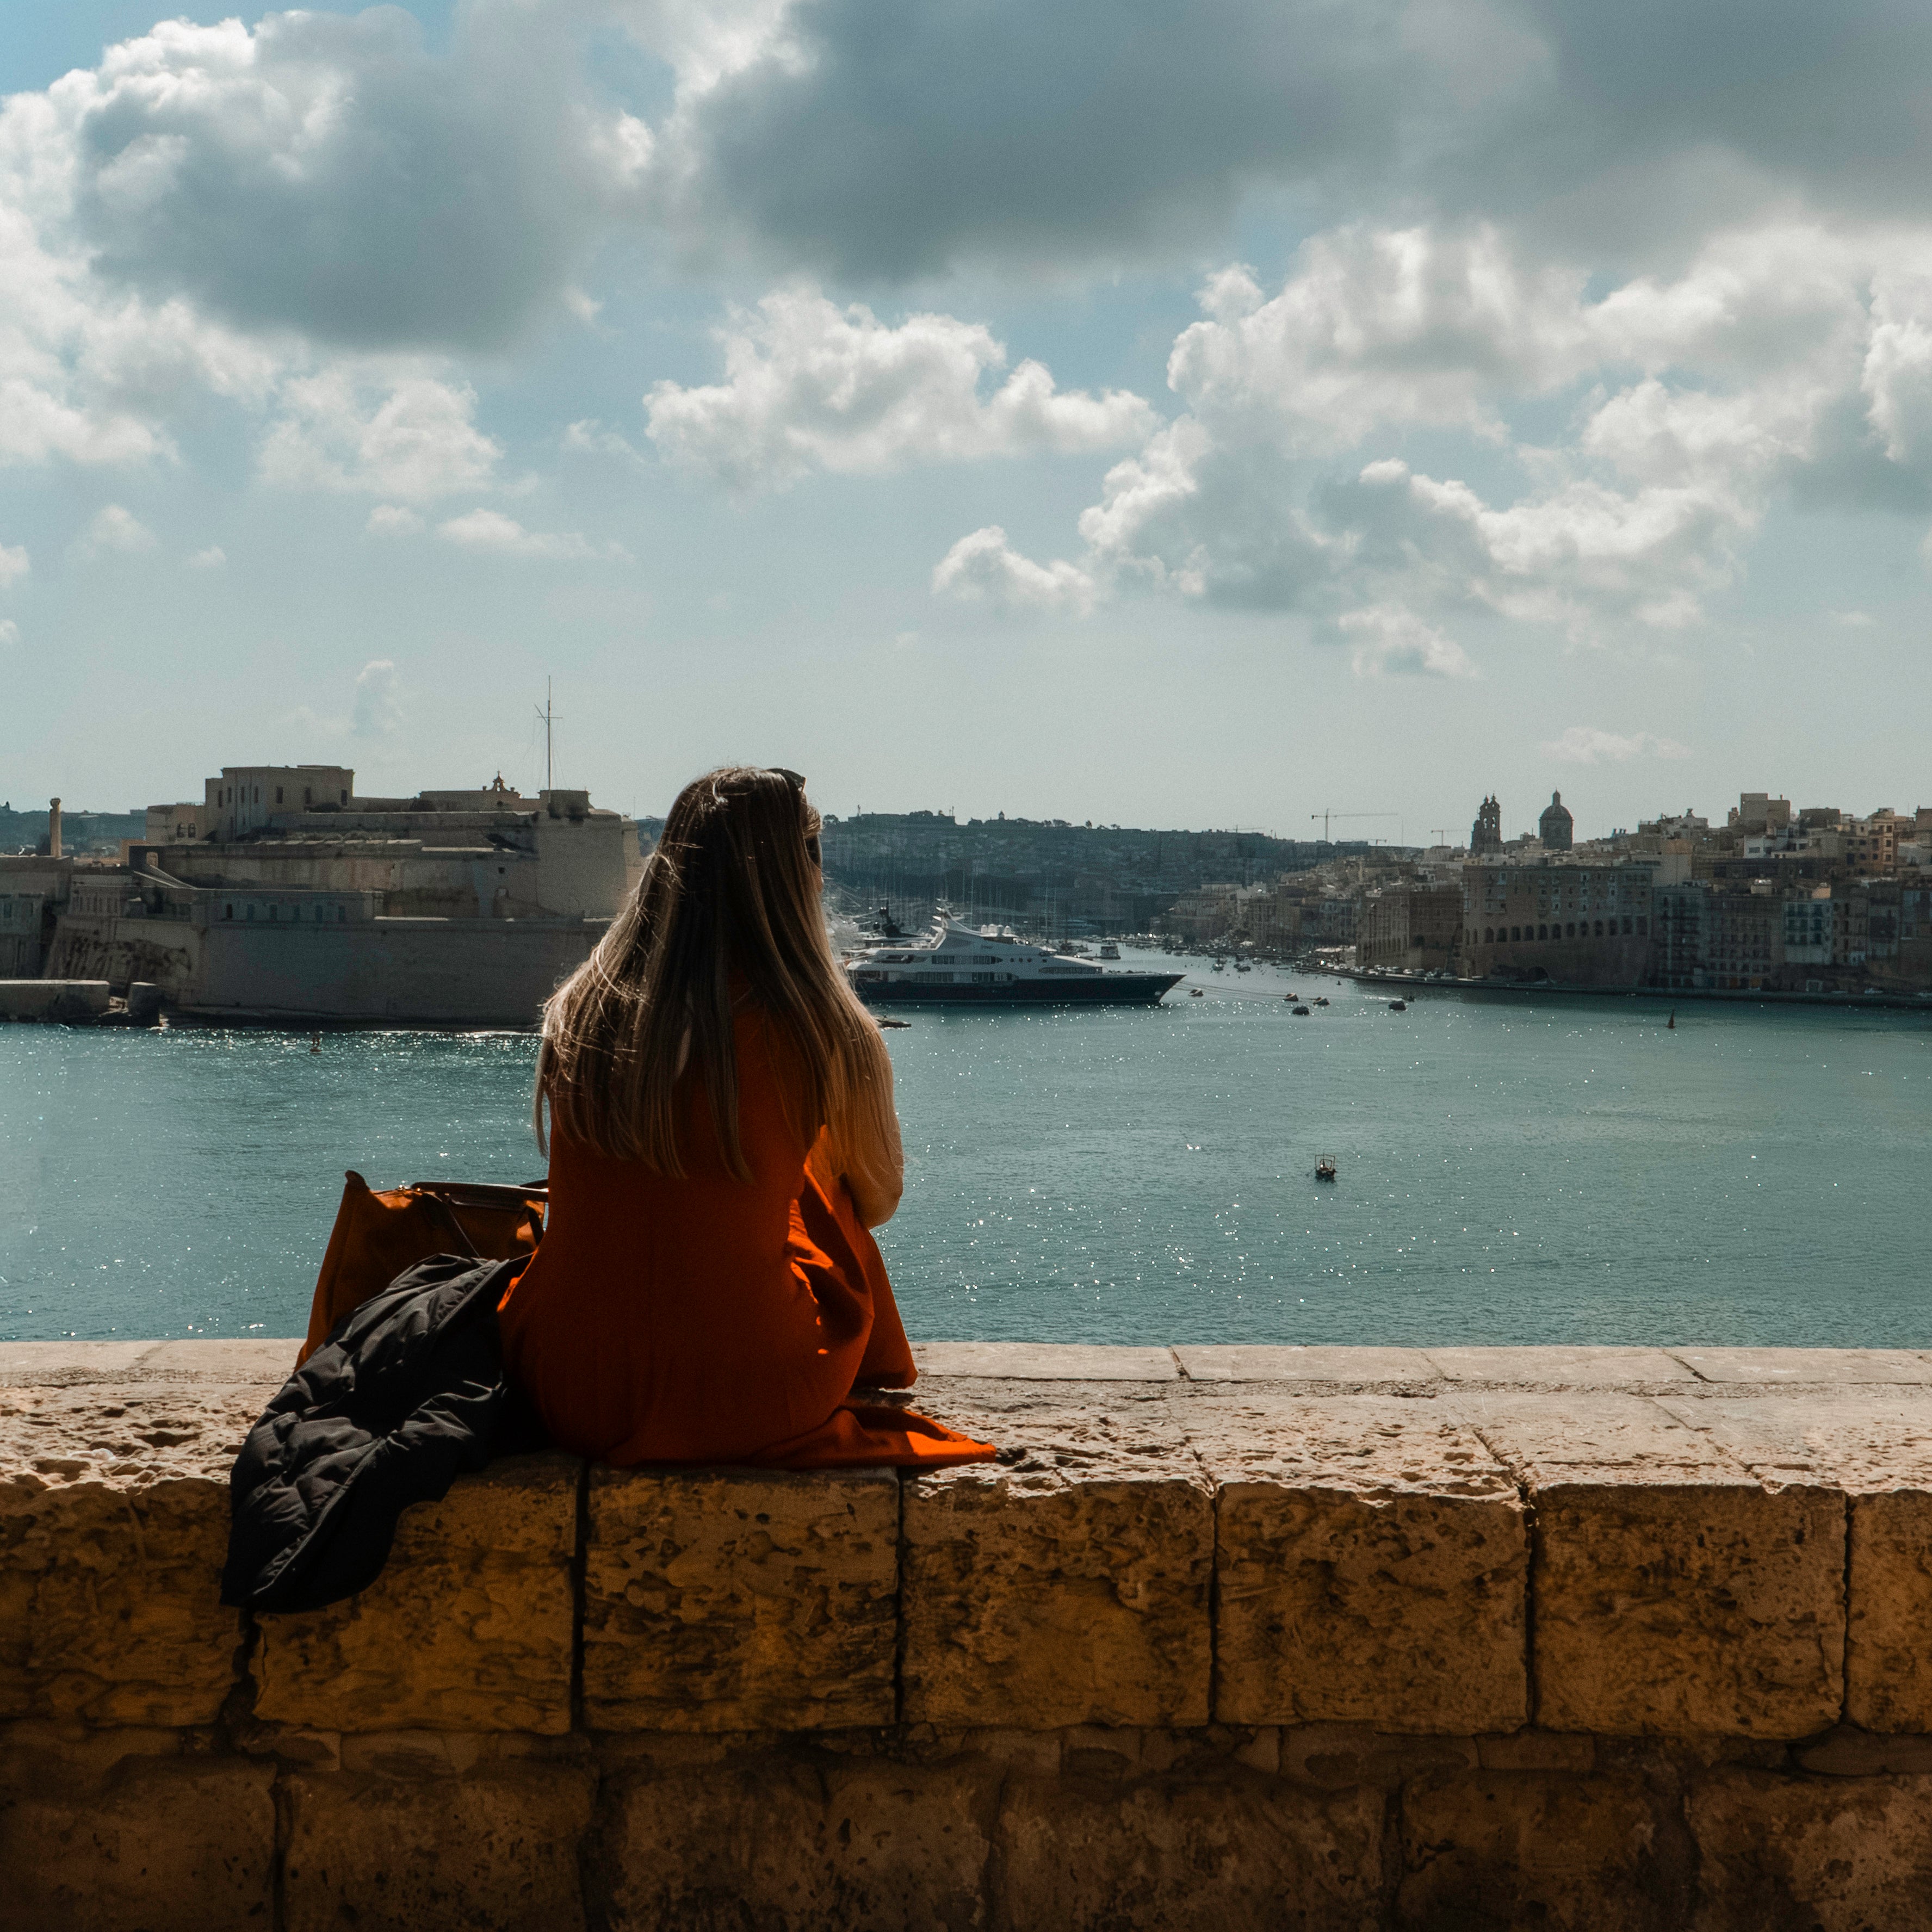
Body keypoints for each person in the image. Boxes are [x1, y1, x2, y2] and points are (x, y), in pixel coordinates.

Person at [498, 765, 994, 1470]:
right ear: (799, 876)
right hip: (748, 1394)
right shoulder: (826, 1032)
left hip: (563, 1386)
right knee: (829, 1193)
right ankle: (876, 1367)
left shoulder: (583, 1006)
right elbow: (878, 1200)